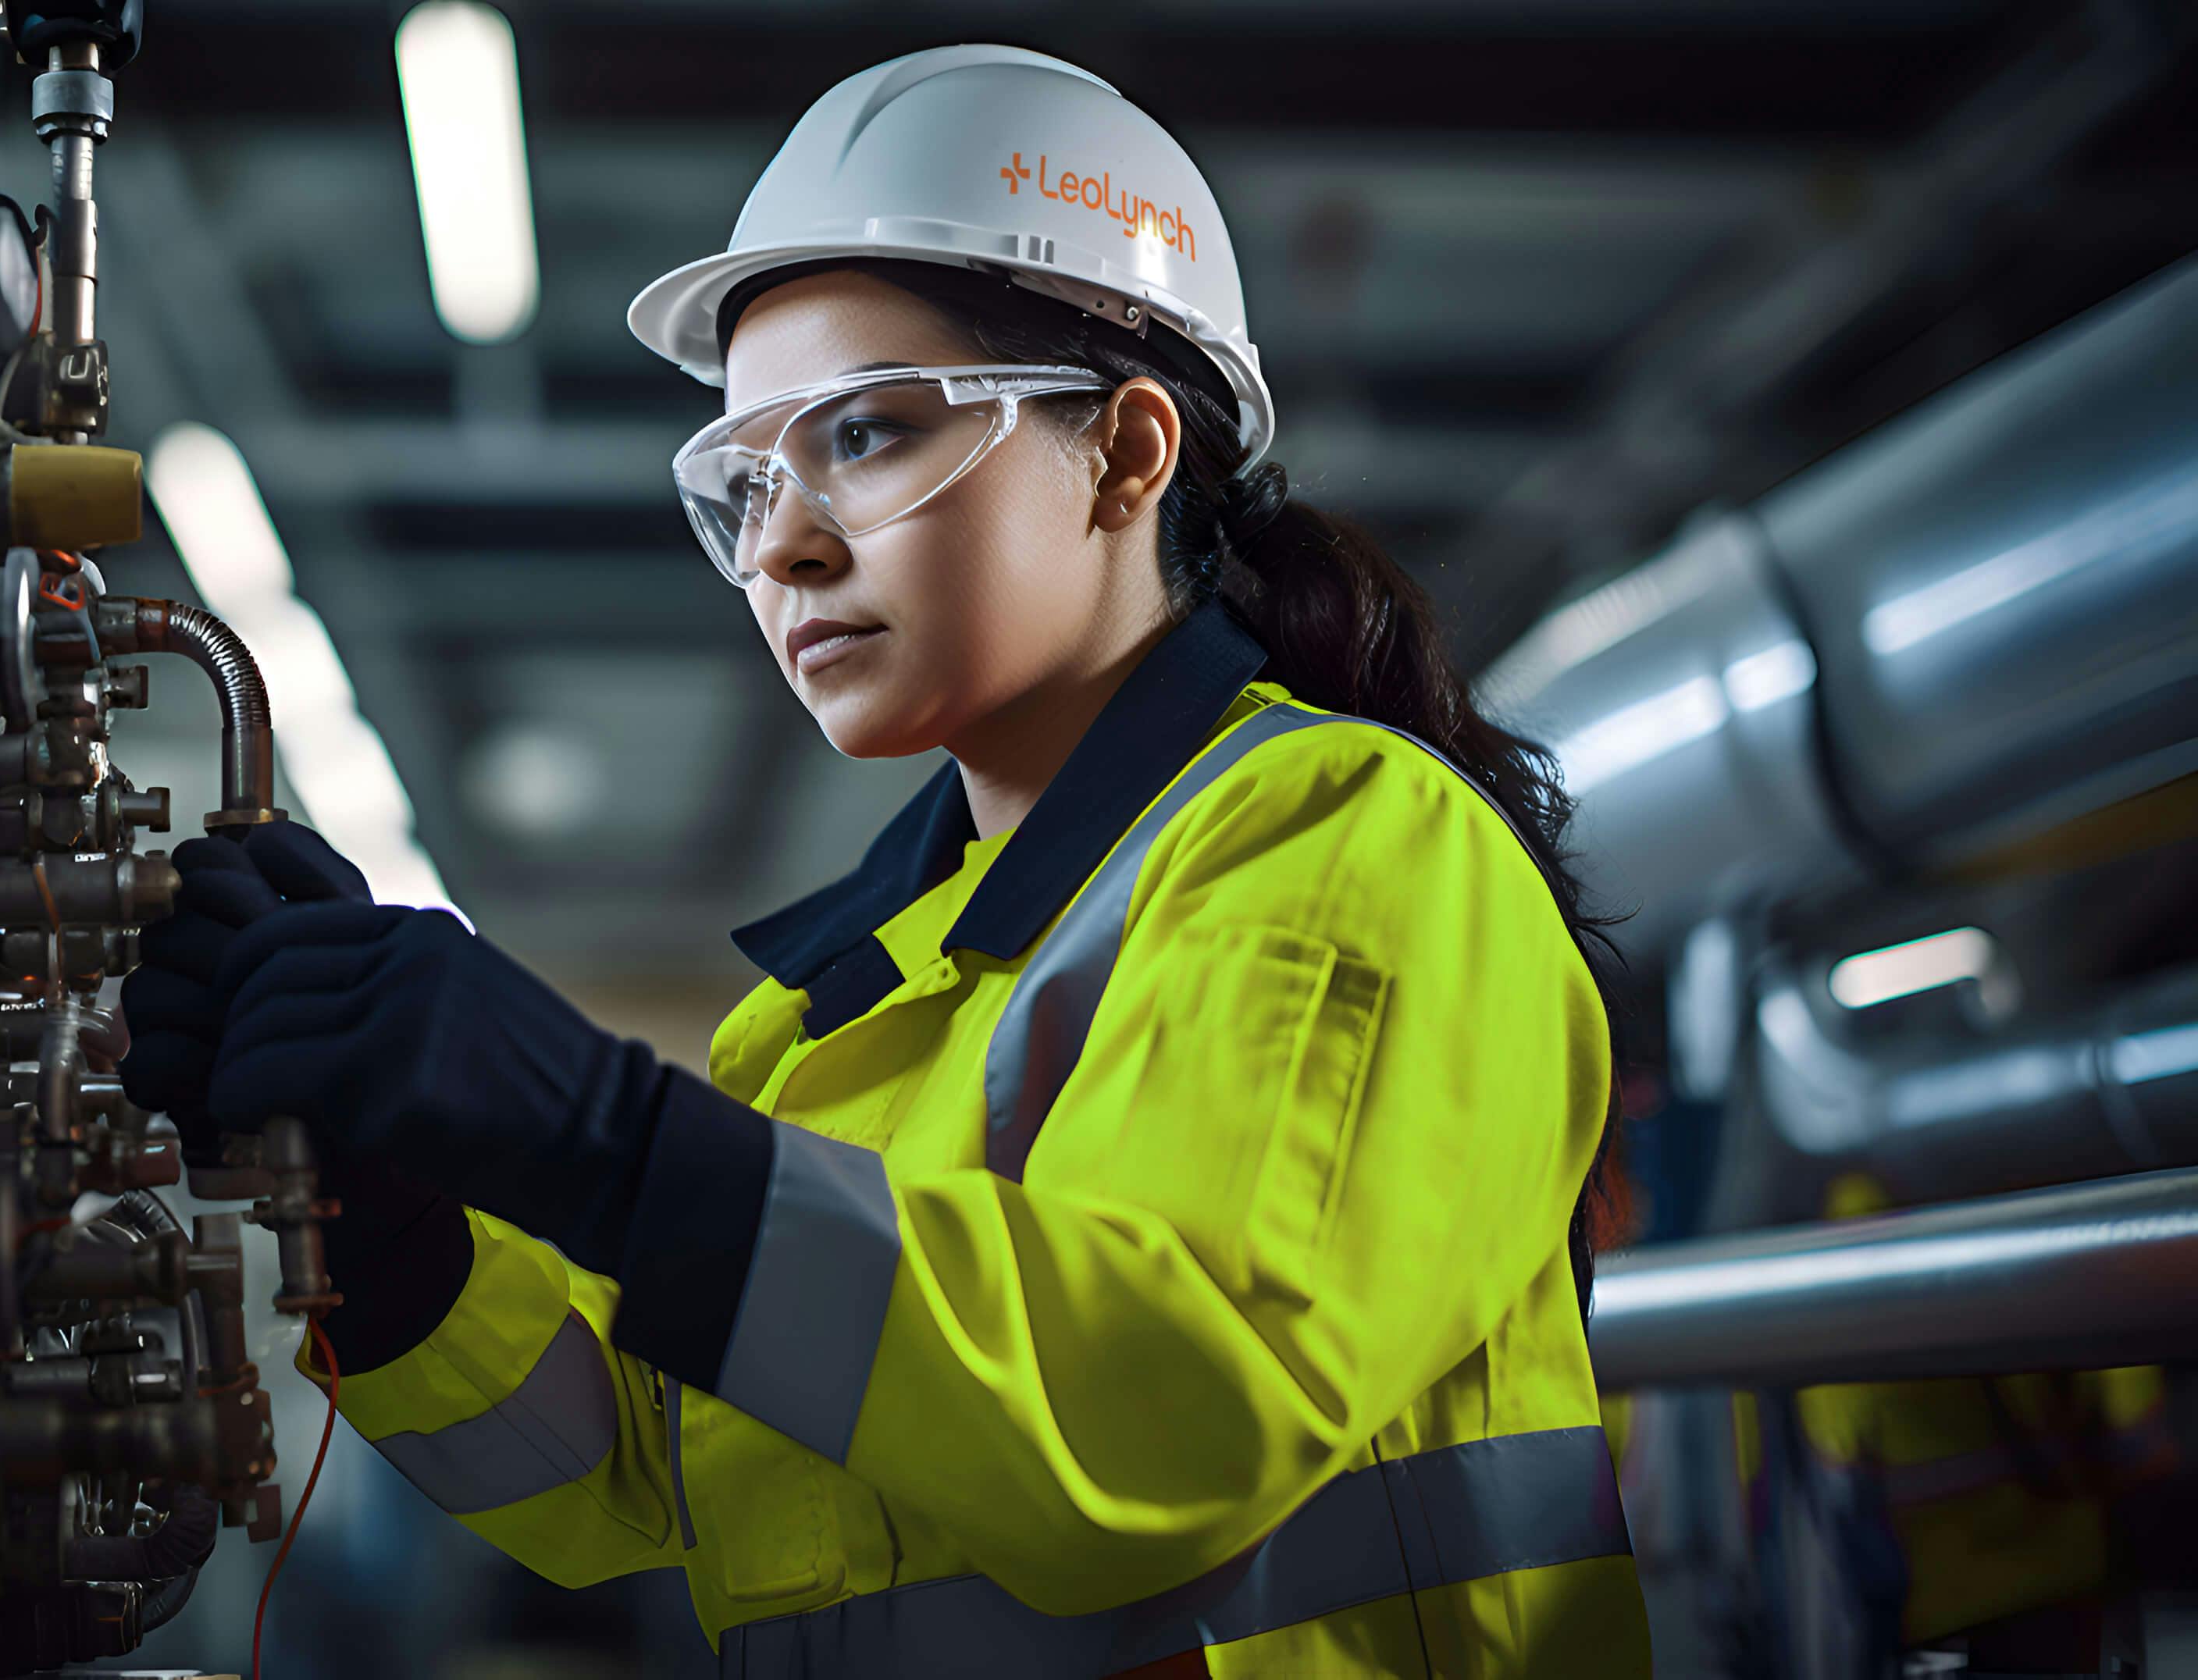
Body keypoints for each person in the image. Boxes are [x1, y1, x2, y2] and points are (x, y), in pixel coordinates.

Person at [121, 43, 1650, 1678]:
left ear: (1129, 456)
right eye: (748, 475)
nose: (782, 540)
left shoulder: (1350, 844)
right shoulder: (838, 1016)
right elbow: (652, 1491)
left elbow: (1166, 1418)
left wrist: (605, 1137)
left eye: (865, 432)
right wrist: (392, 1214)